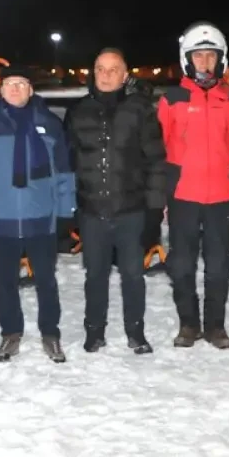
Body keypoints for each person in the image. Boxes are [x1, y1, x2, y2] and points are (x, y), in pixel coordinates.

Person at [0, 66, 76, 362]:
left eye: (22, 84)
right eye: (10, 84)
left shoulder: (49, 123)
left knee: (46, 280)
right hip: (1, 218)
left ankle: (50, 333)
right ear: (0, 90)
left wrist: (66, 211)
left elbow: (65, 170)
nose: (15, 89)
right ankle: (10, 333)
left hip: (42, 217)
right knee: (6, 282)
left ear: (31, 89)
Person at [157, 21, 229, 349]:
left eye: (210, 56)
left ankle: (215, 327)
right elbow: (158, 147)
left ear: (220, 59)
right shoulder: (172, 99)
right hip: (183, 196)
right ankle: (188, 325)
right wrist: (161, 190)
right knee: (182, 264)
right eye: (198, 56)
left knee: (218, 267)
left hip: (221, 198)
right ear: (187, 59)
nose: (205, 62)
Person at [62, 47, 166, 355]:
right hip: (92, 212)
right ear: (93, 73)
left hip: (131, 212)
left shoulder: (140, 110)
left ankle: (136, 332)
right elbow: (67, 165)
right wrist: (69, 211)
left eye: (113, 70)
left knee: (133, 275)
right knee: (95, 275)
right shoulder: (78, 112)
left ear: (124, 75)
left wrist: (153, 211)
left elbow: (156, 162)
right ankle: (94, 331)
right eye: (100, 69)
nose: (106, 76)